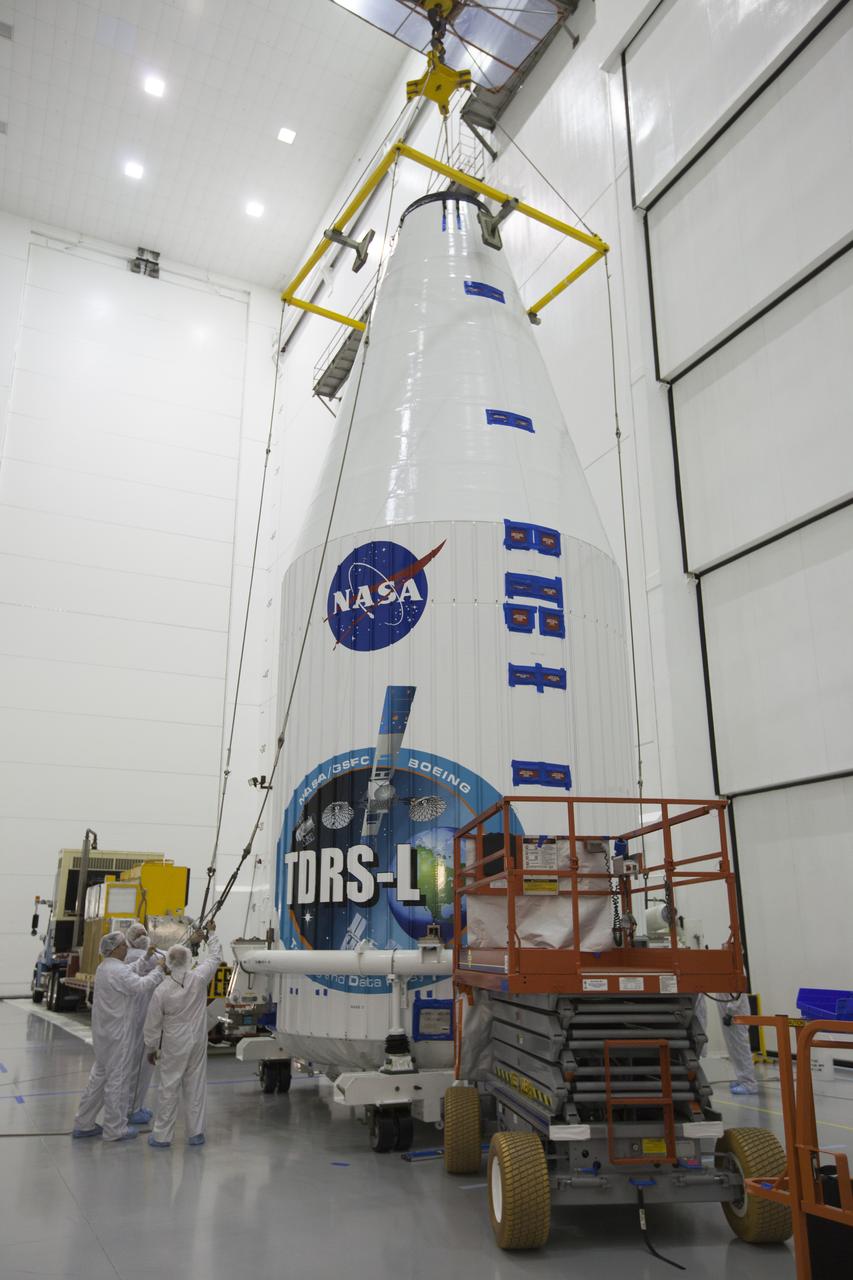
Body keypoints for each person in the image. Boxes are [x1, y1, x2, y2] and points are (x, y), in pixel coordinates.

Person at [72, 931, 164, 1141]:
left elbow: (130, 971)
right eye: (124, 946)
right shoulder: (117, 971)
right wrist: (159, 970)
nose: (126, 949)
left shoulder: (105, 967)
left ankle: (83, 1123)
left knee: (99, 1078)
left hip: (104, 1035)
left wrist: (147, 958)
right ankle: (115, 1128)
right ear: (115, 949)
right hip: (118, 1036)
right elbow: (140, 985)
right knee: (118, 1080)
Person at [143, 925, 223, 1148]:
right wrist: (211, 934)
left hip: (174, 1043)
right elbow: (216, 957)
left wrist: (151, 1048)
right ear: (189, 960)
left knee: (169, 1086)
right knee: (195, 1085)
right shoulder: (198, 979)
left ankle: (162, 1136)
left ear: (167, 962)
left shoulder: (162, 990)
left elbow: (152, 1023)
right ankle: (196, 1133)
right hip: (197, 1040)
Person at [122, 922, 159, 1124]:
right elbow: (167, 961)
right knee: (139, 1064)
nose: (143, 936)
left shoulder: (142, 957)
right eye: (140, 934)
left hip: (142, 1017)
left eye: (144, 933)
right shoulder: (135, 957)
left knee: (144, 1065)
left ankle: (136, 1104)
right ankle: (131, 1109)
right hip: (139, 1019)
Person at [696, 991, 759, 1094]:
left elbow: (736, 994)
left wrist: (730, 1012)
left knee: (740, 1048)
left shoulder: (732, 975)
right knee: (734, 1049)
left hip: (734, 1013)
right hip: (728, 1013)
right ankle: (742, 1079)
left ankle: (749, 1083)